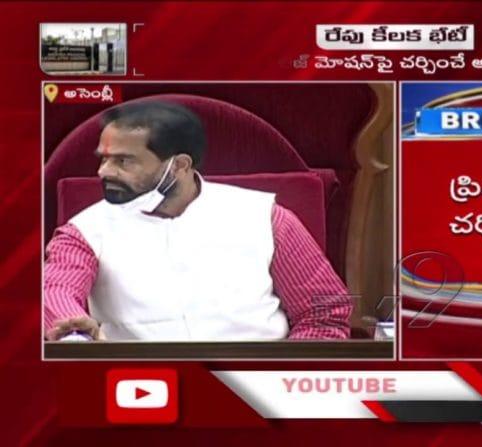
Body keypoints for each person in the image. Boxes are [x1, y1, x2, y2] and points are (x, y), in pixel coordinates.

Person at [44, 100, 352, 341]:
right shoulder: (84, 231)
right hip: (142, 383)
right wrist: (74, 334)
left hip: (260, 378)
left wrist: (283, 379)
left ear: (179, 165)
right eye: (103, 158)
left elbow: (324, 311)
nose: (104, 172)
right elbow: (57, 290)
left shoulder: (265, 217)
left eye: (123, 161)